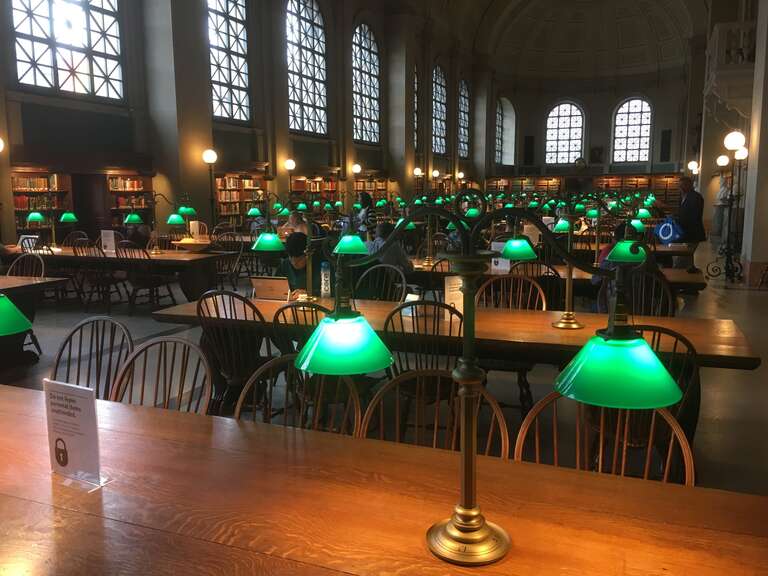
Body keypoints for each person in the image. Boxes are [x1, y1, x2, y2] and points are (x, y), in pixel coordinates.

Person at [275, 232, 325, 298]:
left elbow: (328, 293)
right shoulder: (285, 264)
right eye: (291, 259)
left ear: (309, 254)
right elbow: (275, 288)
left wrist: (309, 293)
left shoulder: (322, 266)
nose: (294, 263)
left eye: (299, 260)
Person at [675, 176, 706, 271]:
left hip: (693, 232)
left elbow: (694, 216)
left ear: (689, 185)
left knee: (681, 260)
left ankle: (676, 277)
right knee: (687, 257)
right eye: (679, 186)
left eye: (682, 186)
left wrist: (679, 221)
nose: (680, 188)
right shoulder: (683, 197)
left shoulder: (695, 197)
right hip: (686, 233)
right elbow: (682, 212)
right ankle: (690, 272)